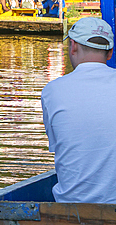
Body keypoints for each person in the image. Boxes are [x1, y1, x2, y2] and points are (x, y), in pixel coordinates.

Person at [41, 17, 116, 203]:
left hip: (72, 209)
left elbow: (60, 146)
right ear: (110, 53)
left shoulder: (52, 91)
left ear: (73, 46)